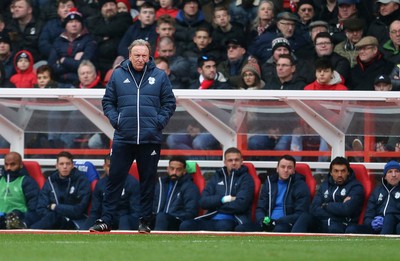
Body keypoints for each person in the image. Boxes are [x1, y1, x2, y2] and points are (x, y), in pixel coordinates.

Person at [90, 39, 176, 233]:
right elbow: (108, 102)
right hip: (123, 138)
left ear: (149, 56)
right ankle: (106, 220)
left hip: (150, 138)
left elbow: (169, 103)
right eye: (137, 55)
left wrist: (158, 122)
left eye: (144, 55)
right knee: (114, 181)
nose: (140, 59)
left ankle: (145, 221)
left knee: (147, 182)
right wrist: (116, 120)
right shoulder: (118, 75)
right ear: (129, 55)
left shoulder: (160, 76)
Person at [179, 147, 255, 231]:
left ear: (241, 161)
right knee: (185, 225)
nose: (233, 163)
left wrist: (215, 205)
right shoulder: (217, 177)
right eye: (230, 160)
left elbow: (241, 205)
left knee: (223, 225)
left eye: (236, 160)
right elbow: (203, 201)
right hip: (211, 217)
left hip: (233, 219)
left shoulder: (246, 179)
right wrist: (225, 199)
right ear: (225, 162)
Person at [236, 155, 311, 232]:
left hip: (286, 224)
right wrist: (263, 220)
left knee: (278, 229)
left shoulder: (300, 185)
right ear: (277, 169)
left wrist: (277, 222)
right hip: (267, 222)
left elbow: (300, 213)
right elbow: (260, 208)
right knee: (241, 229)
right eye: (282, 167)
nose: (286, 170)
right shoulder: (269, 182)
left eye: (289, 168)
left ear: (294, 170)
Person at [292, 156, 365, 233]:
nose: (339, 174)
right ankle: (292, 243)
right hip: (322, 223)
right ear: (331, 172)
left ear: (348, 172)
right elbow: (313, 208)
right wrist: (337, 209)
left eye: (343, 171)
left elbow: (347, 209)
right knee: (305, 217)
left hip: (342, 225)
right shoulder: (325, 185)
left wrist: (325, 205)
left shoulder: (356, 187)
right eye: (336, 171)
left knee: (334, 228)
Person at [30, 151, 91, 229]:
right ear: (56, 166)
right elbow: (40, 207)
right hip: (51, 218)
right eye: (61, 164)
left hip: (74, 221)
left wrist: (54, 207)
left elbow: (78, 210)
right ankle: (23, 228)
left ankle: (28, 233)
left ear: (72, 165)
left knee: (53, 217)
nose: (65, 167)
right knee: (31, 215)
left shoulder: (81, 181)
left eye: (68, 164)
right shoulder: (50, 180)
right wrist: (54, 214)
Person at [83, 155, 140, 230]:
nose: (113, 169)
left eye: (116, 165)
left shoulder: (132, 183)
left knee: (124, 220)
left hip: (125, 218)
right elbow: (95, 211)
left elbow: (136, 212)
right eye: (110, 166)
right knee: (89, 222)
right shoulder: (100, 184)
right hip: (105, 218)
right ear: (104, 166)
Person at [47, 7, 97, 88]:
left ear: (81, 24)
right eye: (70, 22)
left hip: (79, 84)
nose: (74, 24)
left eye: (77, 21)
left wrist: (63, 61)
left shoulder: (89, 41)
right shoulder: (58, 41)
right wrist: (74, 62)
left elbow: (86, 65)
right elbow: (51, 67)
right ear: (65, 25)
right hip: (58, 82)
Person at [346, 160, 400, 234]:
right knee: (351, 229)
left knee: (389, 218)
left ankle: (382, 244)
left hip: (395, 225)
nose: (394, 175)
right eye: (390, 172)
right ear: (385, 176)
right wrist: (372, 222)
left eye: (397, 171)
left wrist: (389, 219)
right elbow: (368, 214)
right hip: (377, 227)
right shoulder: (377, 190)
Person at [86, 0, 132, 77]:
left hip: (118, 60)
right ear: (101, 9)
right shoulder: (94, 21)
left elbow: (111, 29)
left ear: (116, 7)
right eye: (105, 6)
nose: (109, 8)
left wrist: (99, 33)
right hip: (99, 61)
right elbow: (92, 38)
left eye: (111, 5)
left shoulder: (125, 17)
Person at [153, 156, 201, 231]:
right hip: (156, 220)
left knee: (161, 216)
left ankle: (155, 241)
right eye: (172, 169)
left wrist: (174, 216)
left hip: (176, 222)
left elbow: (191, 212)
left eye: (178, 170)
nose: (174, 172)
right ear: (167, 169)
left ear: (184, 171)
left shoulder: (189, 187)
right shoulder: (160, 184)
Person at [0, 152, 39, 229]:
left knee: (15, 215)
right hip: (1, 217)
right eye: (6, 164)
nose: (8, 168)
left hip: (19, 218)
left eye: (12, 164)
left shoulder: (27, 182)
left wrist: (24, 222)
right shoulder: (0, 180)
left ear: (20, 165)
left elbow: (34, 208)